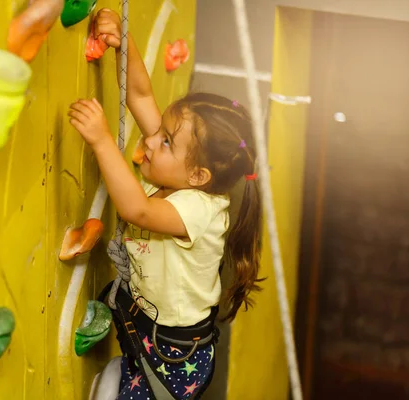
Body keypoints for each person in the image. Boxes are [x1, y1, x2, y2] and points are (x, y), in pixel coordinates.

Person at [68, 8, 263, 399]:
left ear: (198, 177)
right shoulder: (175, 168)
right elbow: (140, 95)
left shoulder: (199, 209)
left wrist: (102, 141)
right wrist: (125, 46)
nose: (151, 141)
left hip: (173, 356)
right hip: (152, 332)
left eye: (167, 140)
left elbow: (137, 210)